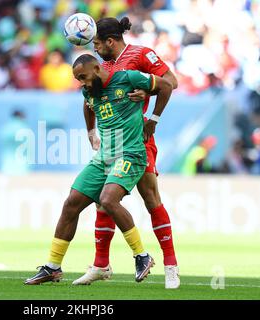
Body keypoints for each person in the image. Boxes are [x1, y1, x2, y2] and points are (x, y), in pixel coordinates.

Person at [24, 53, 173, 285]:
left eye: (83, 77)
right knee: (71, 203)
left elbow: (165, 85)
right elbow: (88, 105)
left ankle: (141, 255)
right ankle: (52, 267)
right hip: (104, 157)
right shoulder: (89, 91)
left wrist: (153, 119)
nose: (81, 83)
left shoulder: (128, 78)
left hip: (130, 154)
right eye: (78, 79)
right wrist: (90, 131)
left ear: (96, 68)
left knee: (108, 200)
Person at [73, 17, 180, 289]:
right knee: (102, 200)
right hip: (111, 143)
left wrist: (152, 114)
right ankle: (100, 264)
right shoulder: (103, 68)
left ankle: (170, 266)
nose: (94, 48)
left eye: (96, 43)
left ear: (110, 41)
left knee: (150, 198)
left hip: (138, 139)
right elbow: (89, 101)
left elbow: (171, 81)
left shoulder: (140, 54)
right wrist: (91, 131)